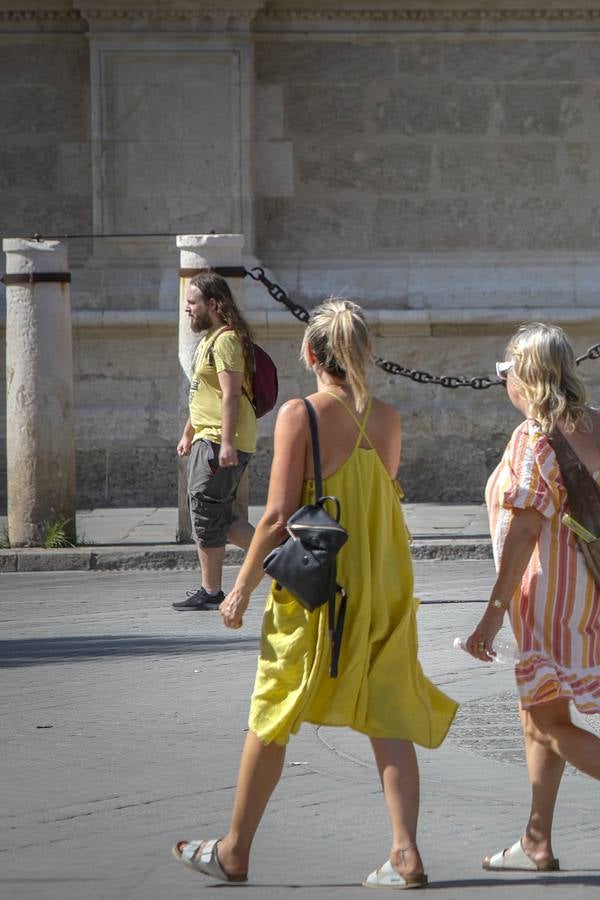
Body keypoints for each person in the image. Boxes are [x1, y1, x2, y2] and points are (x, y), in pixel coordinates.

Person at [171, 299, 457, 889]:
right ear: (363, 355)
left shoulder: (299, 414)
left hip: (319, 593)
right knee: (389, 714)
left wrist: (240, 590)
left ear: (309, 354)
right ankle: (406, 852)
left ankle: (235, 850)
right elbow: (380, 496)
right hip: (382, 584)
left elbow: (276, 516)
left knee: (272, 711)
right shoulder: (388, 418)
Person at [465, 323, 600, 877]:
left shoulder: (534, 439)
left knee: (547, 723)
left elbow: (525, 530)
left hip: (548, 600)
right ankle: (536, 840)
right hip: (594, 597)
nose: (505, 383)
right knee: (539, 715)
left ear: (527, 376)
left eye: (508, 372)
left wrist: (490, 615)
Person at [173, 273, 257, 611]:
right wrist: (188, 432)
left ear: (212, 304)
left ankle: (211, 591)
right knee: (218, 514)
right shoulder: (210, 339)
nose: (186, 309)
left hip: (220, 440)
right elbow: (204, 393)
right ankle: (283, 556)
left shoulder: (226, 341)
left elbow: (232, 394)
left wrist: (225, 443)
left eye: (192, 302)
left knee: (207, 514)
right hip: (207, 438)